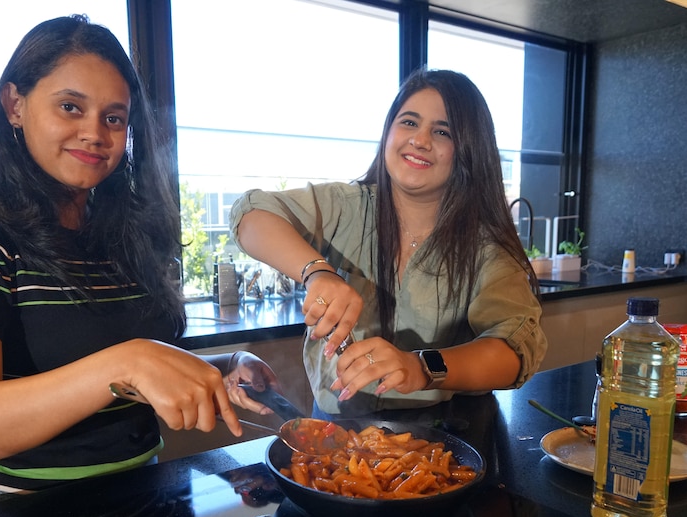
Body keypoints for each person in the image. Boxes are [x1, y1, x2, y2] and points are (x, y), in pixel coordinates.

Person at [0, 14, 279, 509]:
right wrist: (129, 358)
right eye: (70, 107)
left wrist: (220, 368)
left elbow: (120, 381)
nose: (95, 133)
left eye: (114, 117)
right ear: (14, 105)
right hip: (16, 509)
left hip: (140, 488)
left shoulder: (125, 233)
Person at [230, 68, 547, 418]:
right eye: (409, 122)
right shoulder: (345, 206)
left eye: (442, 131)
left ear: (469, 151)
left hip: (449, 432)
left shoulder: (486, 247)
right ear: (388, 133)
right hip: (336, 424)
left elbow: (515, 350)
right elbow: (251, 213)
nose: (420, 140)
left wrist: (421, 367)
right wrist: (317, 272)